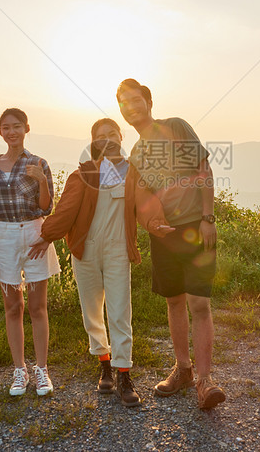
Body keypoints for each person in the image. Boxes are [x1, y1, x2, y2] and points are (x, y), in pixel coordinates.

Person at [27, 118, 173, 407]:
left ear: (121, 136)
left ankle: (124, 374)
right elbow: (67, 209)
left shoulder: (133, 172)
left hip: (119, 249)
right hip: (87, 250)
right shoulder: (83, 173)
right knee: (91, 312)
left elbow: (146, 206)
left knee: (120, 312)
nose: (107, 139)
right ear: (93, 142)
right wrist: (47, 235)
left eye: (112, 134)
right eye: (100, 136)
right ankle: (104, 364)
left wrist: (156, 224)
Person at [116, 78, 226, 410]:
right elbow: (143, 196)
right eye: (124, 103)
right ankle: (183, 369)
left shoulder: (175, 127)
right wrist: (149, 224)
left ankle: (205, 382)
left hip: (195, 228)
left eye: (136, 101)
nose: (131, 108)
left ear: (149, 102)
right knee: (175, 302)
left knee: (199, 304)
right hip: (163, 237)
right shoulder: (136, 152)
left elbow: (203, 169)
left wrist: (208, 218)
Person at [0, 108, 59, 397]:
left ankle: (41, 369)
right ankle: (18, 370)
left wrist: (41, 180)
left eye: (16, 126)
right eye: (5, 127)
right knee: (13, 307)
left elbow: (47, 208)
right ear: (0, 131)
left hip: (33, 234)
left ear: (26, 128)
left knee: (38, 307)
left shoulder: (39, 163)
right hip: (3, 236)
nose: (11, 132)